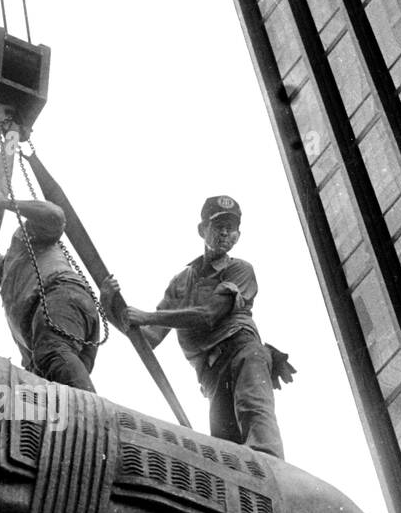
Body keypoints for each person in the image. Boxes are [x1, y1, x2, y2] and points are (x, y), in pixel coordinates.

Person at [101, 195, 293, 458]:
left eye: (231, 228)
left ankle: (273, 465)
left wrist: (146, 316)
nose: (225, 233)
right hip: (212, 376)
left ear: (238, 236)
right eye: (218, 226)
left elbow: (208, 315)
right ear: (202, 230)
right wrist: (110, 307)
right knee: (227, 452)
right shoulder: (181, 282)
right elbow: (148, 339)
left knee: (256, 421)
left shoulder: (240, 270)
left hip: (243, 354)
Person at [0, 186, 102, 391]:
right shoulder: (10, 302)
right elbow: (34, 365)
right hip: (57, 331)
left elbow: (54, 216)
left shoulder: (21, 243)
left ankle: (91, 419)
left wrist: (4, 202)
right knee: (54, 385)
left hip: (60, 299)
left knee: (52, 353)